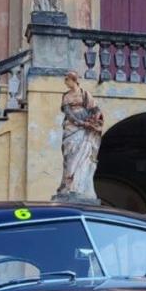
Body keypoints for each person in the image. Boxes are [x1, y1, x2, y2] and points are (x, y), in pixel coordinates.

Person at [55, 71, 103, 201]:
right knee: (70, 154)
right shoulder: (66, 96)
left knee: (84, 156)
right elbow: (68, 113)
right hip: (71, 128)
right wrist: (81, 123)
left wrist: (94, 120)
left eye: (67, 80)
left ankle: (79, 187)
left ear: (73, 80)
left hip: (86, 128)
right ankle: (68, 185)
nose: (66, 83)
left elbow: (96, 110)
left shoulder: (85, 94)